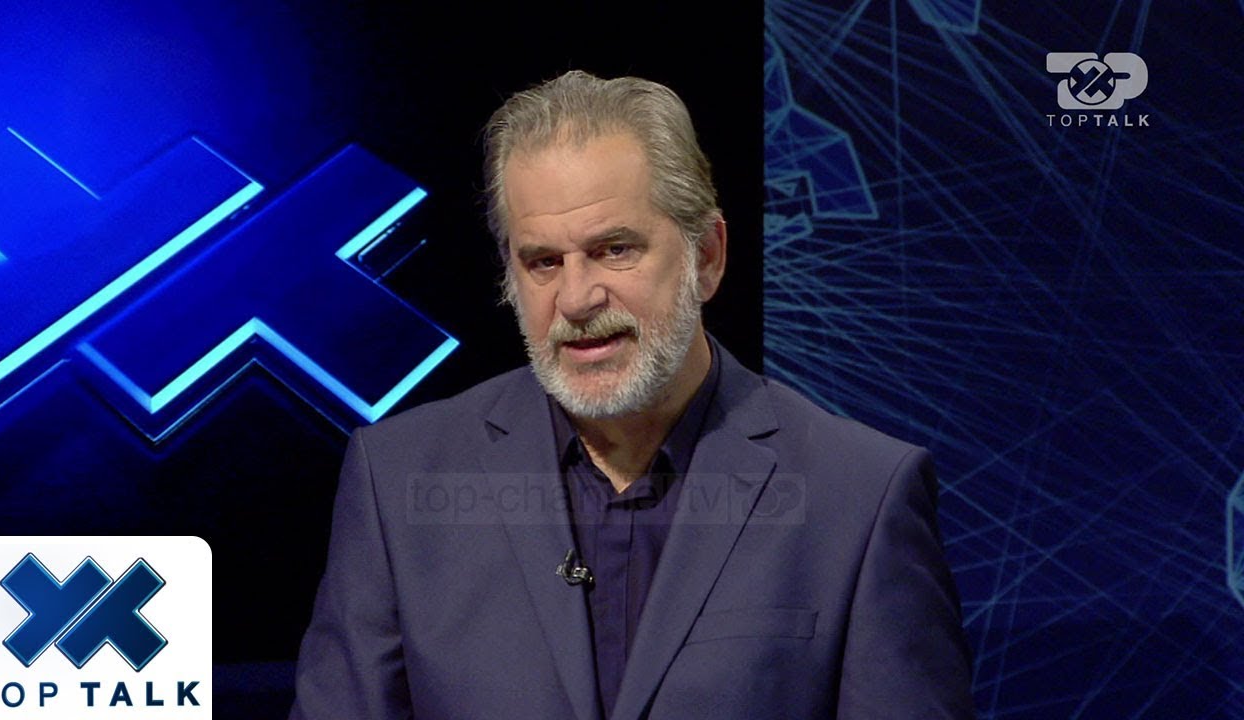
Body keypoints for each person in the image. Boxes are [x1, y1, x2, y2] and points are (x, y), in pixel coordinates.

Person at [290, 70, 974, 720]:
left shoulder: (859, 495)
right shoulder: (397, 481)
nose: (577, 298)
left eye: (614, 250)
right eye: (543, 261)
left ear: (707, 257)